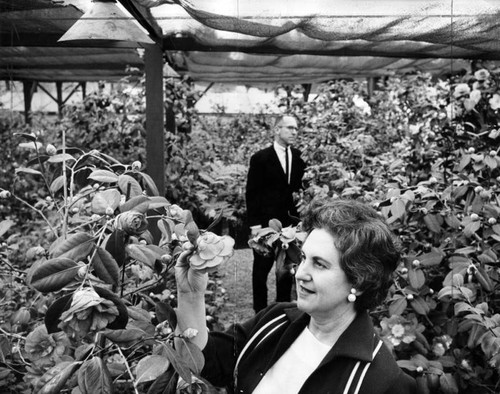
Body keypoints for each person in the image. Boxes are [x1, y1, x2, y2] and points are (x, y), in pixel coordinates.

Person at [174, 198, 417, 394]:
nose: (300, 273)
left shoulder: (383, 382)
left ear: (360, 281)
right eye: (303, 258)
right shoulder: (275, 321)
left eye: (319, 264)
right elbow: (204, 362)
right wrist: (190, 294)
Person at [245, 114, 306, 313]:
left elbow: (299, 190)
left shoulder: (298, 158)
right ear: (277, 129)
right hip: (265, 225)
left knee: (286, 270)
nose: (294, 132)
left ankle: (282, 311)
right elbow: (252, 193)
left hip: (289, 226)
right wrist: (255, 226)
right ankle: (259, 313)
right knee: (261, 272)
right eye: (289, 128)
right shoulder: (260, 158)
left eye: (296, 129)